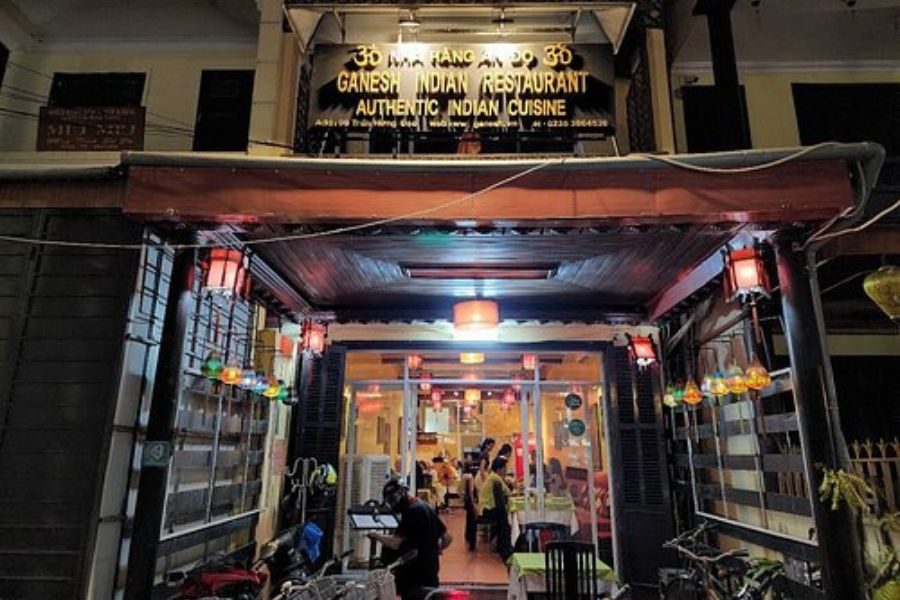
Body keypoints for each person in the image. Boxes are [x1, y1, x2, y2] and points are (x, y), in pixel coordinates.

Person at [368, 478, 453, 600]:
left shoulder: (412, 512)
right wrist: (431, 550)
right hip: (431, 571)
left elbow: (395, 543)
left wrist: (376, 535)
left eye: (393, 500)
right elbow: (447, 538)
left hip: (413, 574)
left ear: (401, 493)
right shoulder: (425, 507)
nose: (392, 504)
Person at [478, 457, 513, 559]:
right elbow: (508, 492)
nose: (506, 470)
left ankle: (501, 544)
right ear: (500, 469)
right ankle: (505, 546)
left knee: (505, 515)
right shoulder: (495, 478)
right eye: (505, 468)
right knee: (505, 518)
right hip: (488, 509)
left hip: (486, 508)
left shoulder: (492, 476)